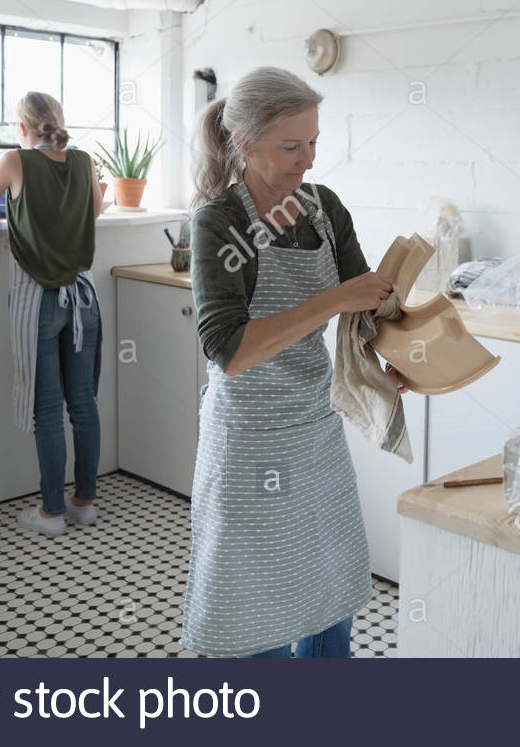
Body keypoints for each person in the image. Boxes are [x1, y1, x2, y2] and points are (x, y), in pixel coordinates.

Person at [181, 66, 399, 658]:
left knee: (329, 598)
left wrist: (400, 351)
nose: (307, 162)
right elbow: (229, 349)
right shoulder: (219, 223)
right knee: (259, 612)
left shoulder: (323, 209)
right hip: (249, 442)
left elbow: (363, 309)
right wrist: (333, 299)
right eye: (290, 147)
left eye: (313, 144)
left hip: (316, 429)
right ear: (246, 144)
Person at [0, 91, 106, 535]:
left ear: (21, 129)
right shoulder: (83, 161)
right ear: (57, 122)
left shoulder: (12, 161)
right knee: (82, 403)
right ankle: (85, 503)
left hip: (39, 301)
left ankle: (51, 513)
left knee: (46, 409)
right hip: (83, 297)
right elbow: (93, 210)